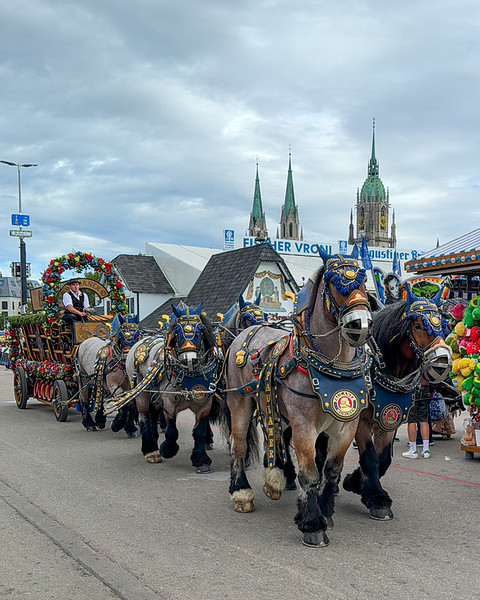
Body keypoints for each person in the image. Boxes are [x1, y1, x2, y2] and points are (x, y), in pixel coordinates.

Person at [402, 381, 432, 459]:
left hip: (412, 389)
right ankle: (426, 450)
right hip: (425, 388)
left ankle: (413, 450)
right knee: (424, 420)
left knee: (411, 421)